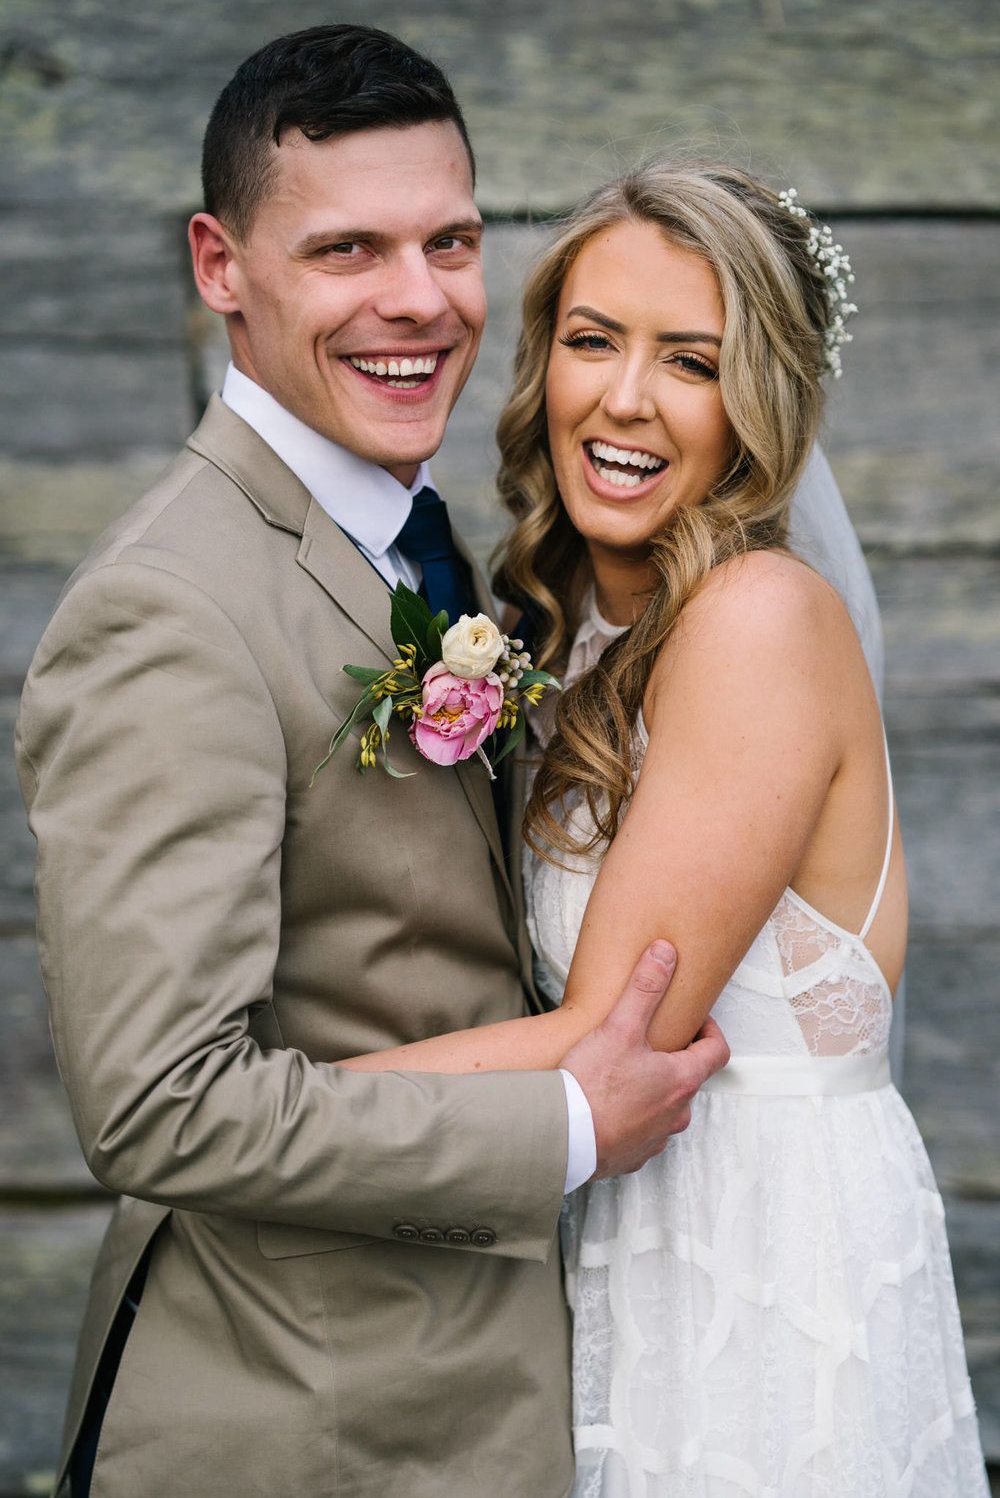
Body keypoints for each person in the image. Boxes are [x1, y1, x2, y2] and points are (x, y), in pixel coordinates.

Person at [15, 26, 736, 1498]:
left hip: (476, 1391)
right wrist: (567, 1123)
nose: (419, 301)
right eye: (348, 250)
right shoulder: (170, 607)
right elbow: (162, 1104)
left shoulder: (421, 539)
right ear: (222, 266)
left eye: (450, 240)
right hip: (307, 1421)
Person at [337, 163, 989, 1493]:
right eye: (592, 341)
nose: (623, 397)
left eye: (690, 360)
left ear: (757, 410)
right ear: (544, 364)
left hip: (759, 1273)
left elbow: (606, 1037)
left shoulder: (757, 621)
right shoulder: (569, 628)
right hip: (620, 1236)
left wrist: (267, 1117)